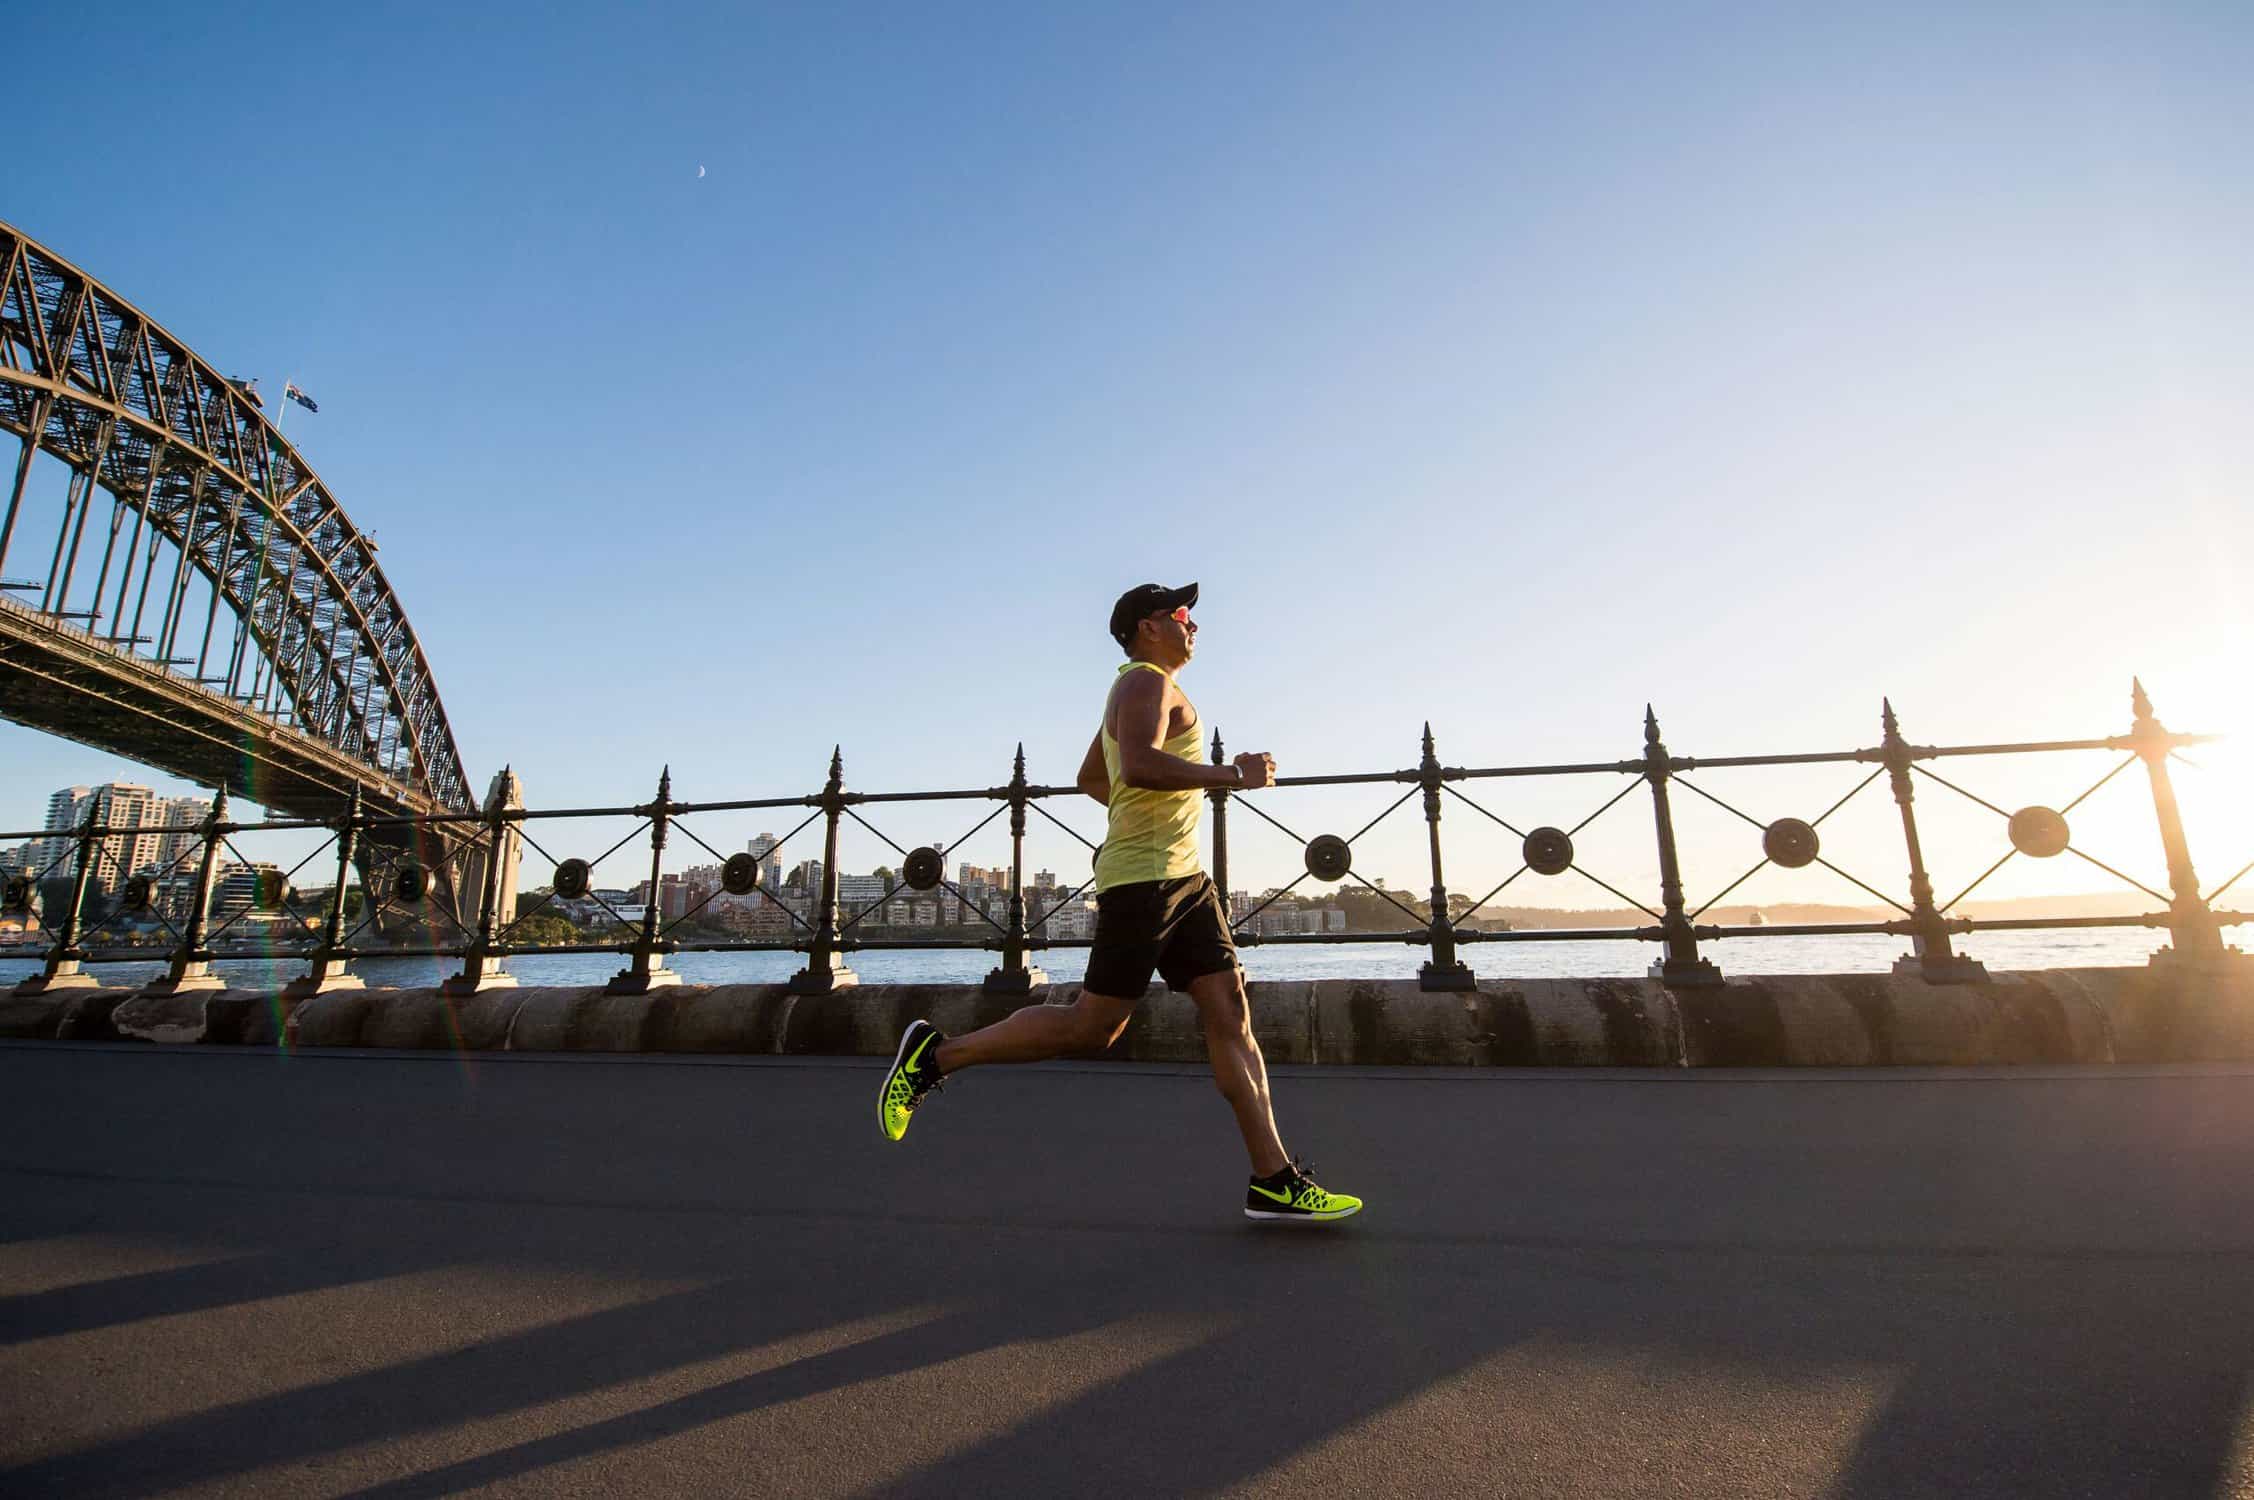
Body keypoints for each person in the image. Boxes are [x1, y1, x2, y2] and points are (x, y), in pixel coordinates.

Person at [877, 582, 1362, 1224]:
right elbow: (1135, 766)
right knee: (1093, 1026)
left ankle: (1274, 1178)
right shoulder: (1143, 684)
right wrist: (1230, 777)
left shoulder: (1149, 687)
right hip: (1146, 883)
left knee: (1231, 1011)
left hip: (1186, 880)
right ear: (1145, 627)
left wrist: (1146, 822)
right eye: (1180, 615)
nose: (1193, 625)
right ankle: (935, 1056)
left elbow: (1093, 778)